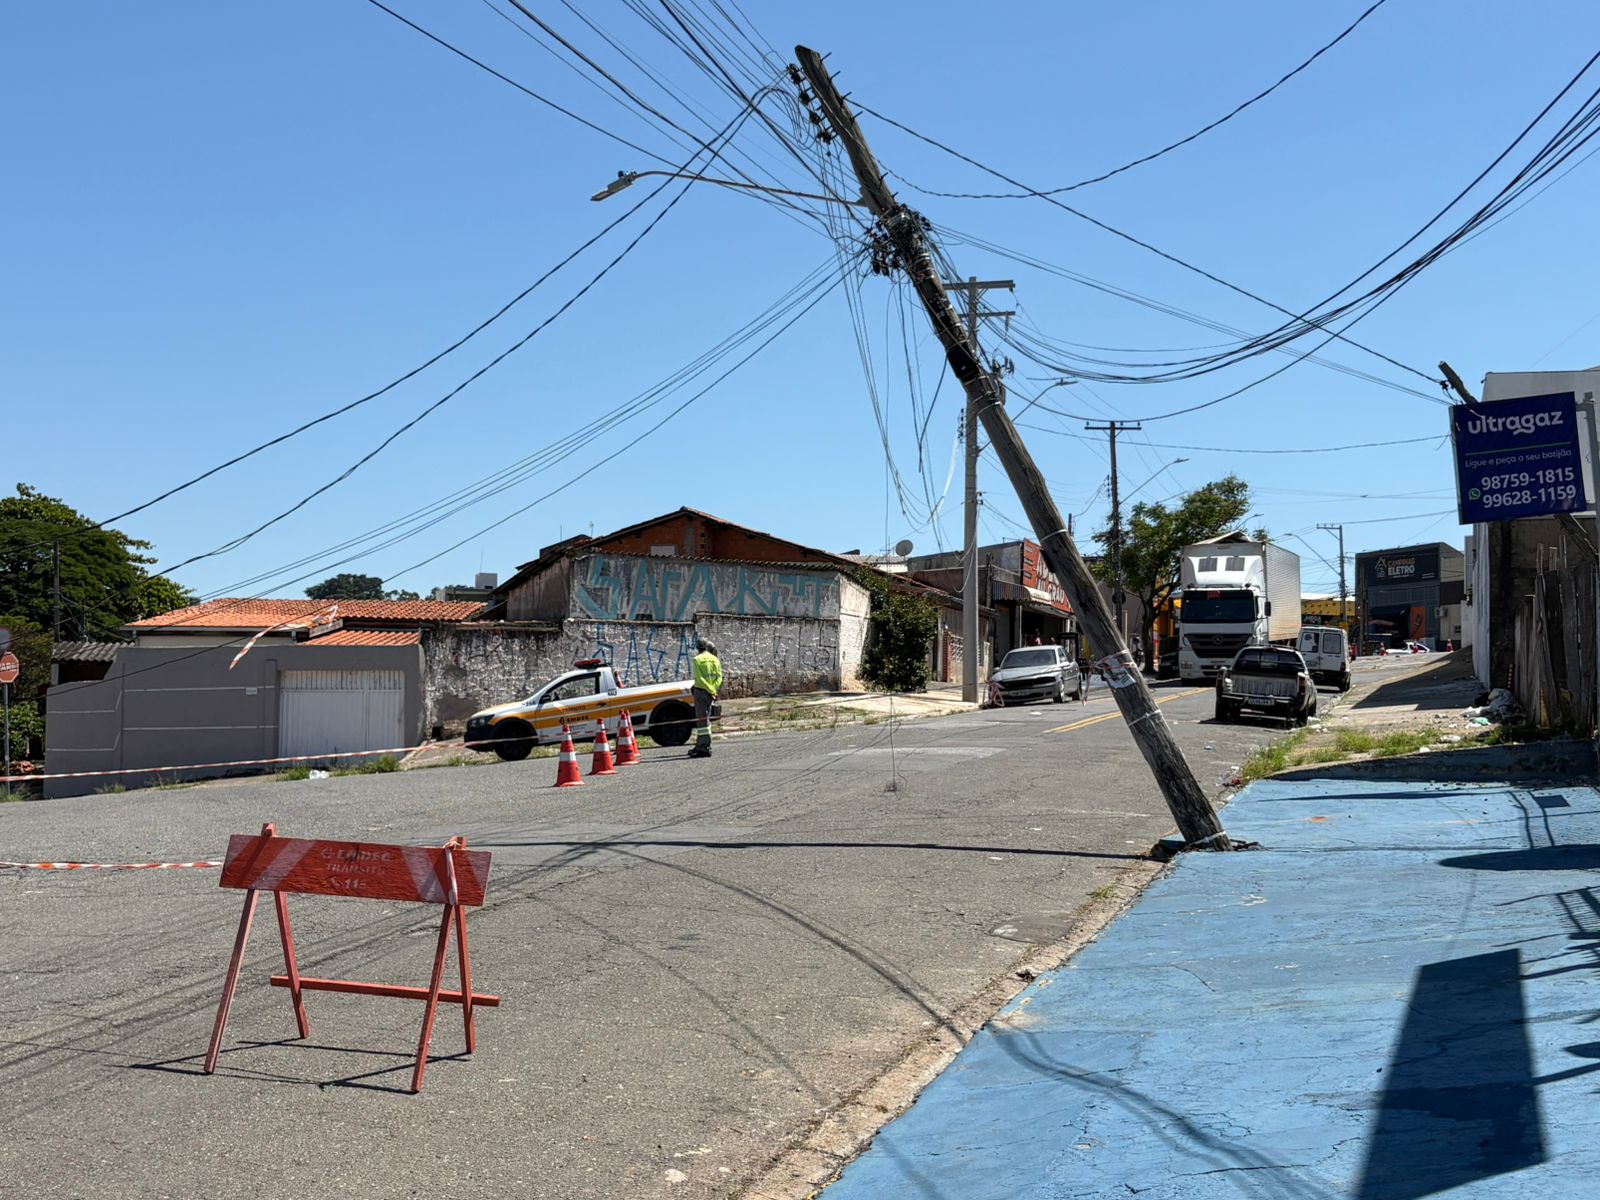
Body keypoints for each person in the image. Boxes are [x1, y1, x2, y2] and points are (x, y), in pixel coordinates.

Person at [688, 637, 723, 759]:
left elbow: (700, 679)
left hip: (701, 691)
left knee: (702, 719)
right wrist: (714, 690)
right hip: (711, 693)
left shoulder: (697, 659)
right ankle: (700, 744)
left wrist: (709, 689)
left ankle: (704, 746)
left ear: (698, 648)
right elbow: (719, 677)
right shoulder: (715, 659)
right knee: (706, 718)